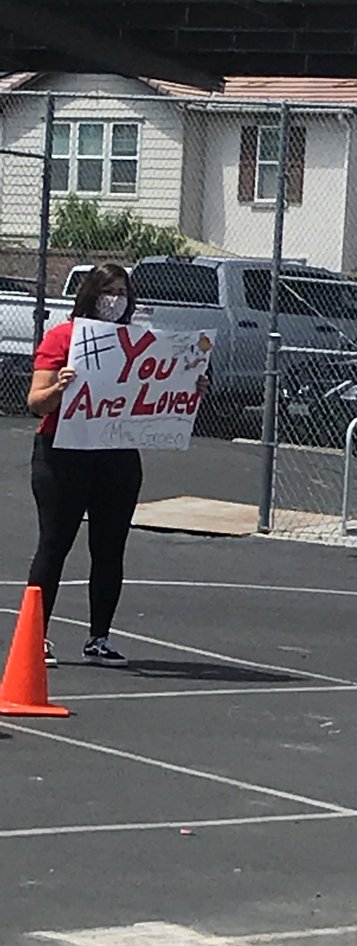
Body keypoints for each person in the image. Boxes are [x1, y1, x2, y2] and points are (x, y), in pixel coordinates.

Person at [25, 263, 204, 668]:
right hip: (63, 452)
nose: (115, 299)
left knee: (109, 548)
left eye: (122, 291)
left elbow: (158, 388)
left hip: (116, 455)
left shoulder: (140, 341)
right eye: (108, 290)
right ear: (90, 293)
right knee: (54, 544)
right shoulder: (64, 337)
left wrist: (187, 385)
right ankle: (36, 637)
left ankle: (99, 638)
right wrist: (60, 386)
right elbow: (36, 401)